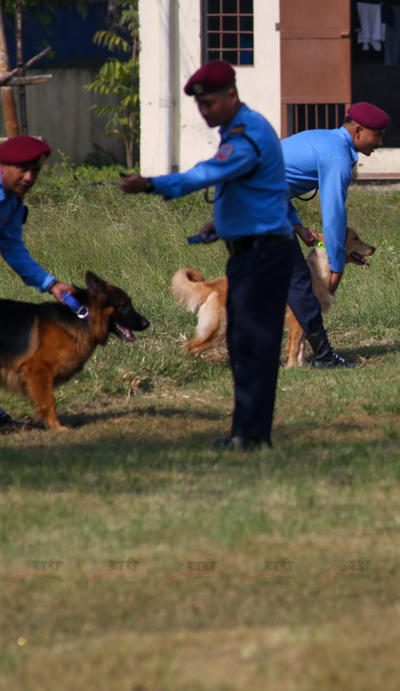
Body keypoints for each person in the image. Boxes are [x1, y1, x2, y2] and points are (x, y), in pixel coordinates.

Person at [120, 60, 291, 452]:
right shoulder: (239, 128)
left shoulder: (246, 136)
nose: (204, 111)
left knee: (254, 347)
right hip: (251, 251)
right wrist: (222, 224)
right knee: (244, 346)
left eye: (210, 103)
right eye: (200, 106)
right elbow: (254, 189)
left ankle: (252, 436)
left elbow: (207, 174)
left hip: (263, 256)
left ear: (232, 94)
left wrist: (152, 184)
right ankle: (245, 432)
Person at [280, 101, 390, 369]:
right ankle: (323, 356)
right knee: (300, 285)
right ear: (359, 131)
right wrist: (337, 263)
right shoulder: (338, 157)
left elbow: (277, 182)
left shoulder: (323, 138)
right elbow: (334, 215)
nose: (380, 142)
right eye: (377, 136)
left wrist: (296, 226)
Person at [0, 135, 78, 426]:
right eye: (22, 169)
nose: (29, 177)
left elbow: (13, 248)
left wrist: (51, 284)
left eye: (36, 170)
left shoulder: (11, 204)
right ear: (1, 165)